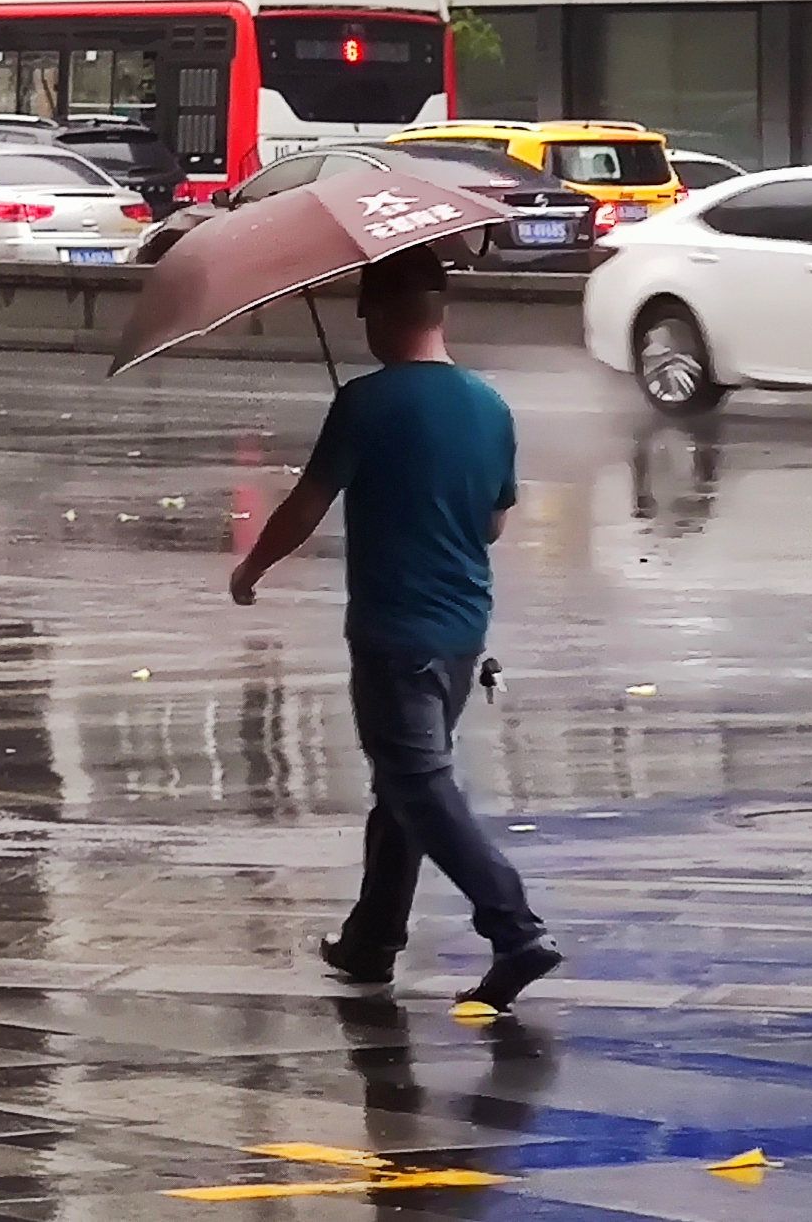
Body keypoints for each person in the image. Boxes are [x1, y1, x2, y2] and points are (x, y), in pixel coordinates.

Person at [229, 247, 564, 1011]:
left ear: (377, 316)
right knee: (403, 783)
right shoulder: (489, 404)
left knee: (417, 781)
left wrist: (250, 571)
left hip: (393, 628)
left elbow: (305, 507)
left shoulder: (365, 403)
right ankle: (372, 939)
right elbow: (494, 522)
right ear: (438, 312)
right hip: (461, 631)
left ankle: (514, 927)